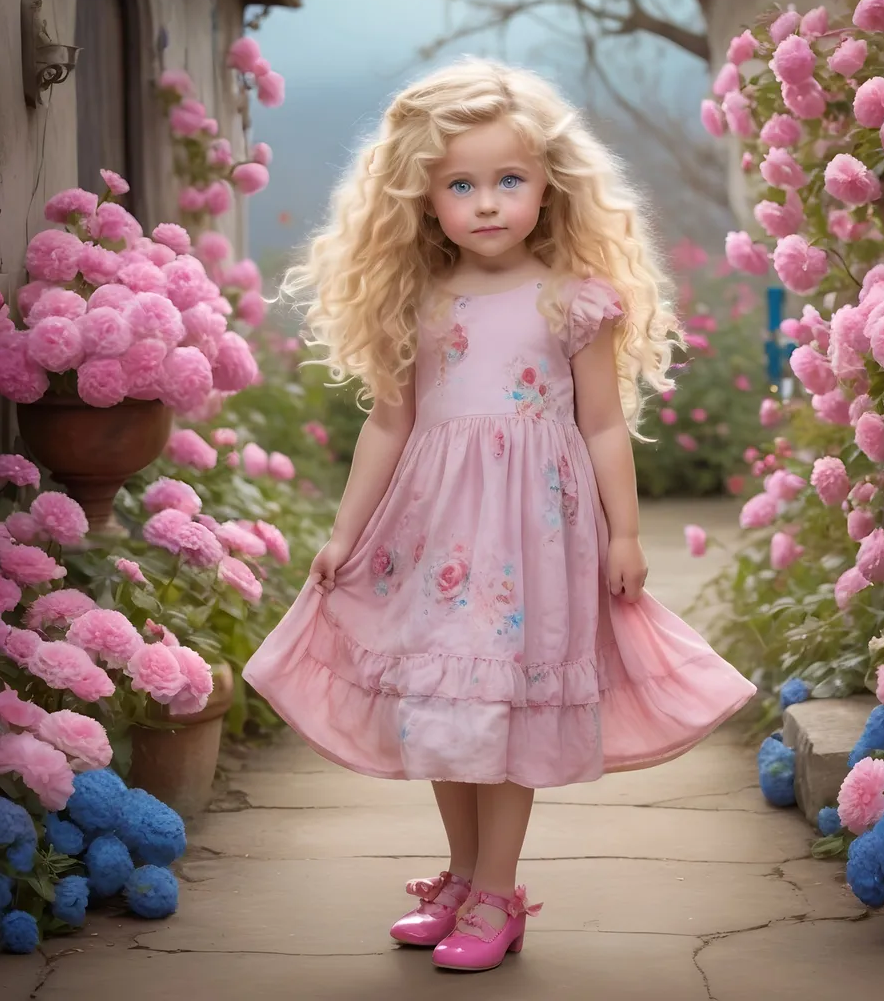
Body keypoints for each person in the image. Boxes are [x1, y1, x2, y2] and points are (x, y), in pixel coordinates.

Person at [243, 57, 756, 973]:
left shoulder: (573, 299)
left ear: (549, 185)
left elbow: (602, 425)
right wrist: (343, 532)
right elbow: (388, 423)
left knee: (503, 714)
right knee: (444, 709)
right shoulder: (419, 301)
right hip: (431, 533)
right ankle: (460, 873)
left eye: (509, 180)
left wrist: (627, 533)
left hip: (535, 540)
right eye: (462, 185)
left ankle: (498, 892)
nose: (487, 203)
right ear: (423, 198)